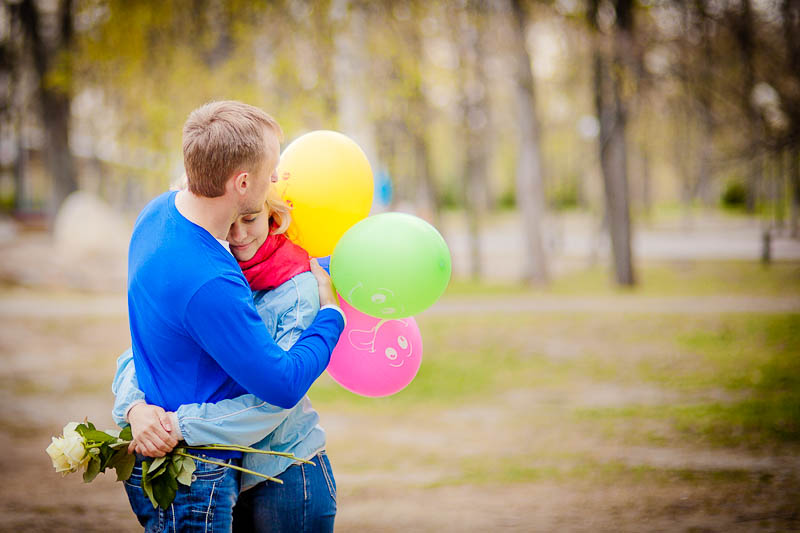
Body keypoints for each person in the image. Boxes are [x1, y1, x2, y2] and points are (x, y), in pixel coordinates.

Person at [120, 100, 344, 532]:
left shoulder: (155, 214)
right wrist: (332, 315)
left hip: (246, 469)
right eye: (271, 170)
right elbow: (282, 384)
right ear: (243, 182)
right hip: (199, 474)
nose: (276, 179)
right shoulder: (212, 280)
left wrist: (138, 409)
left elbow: (155, 343)